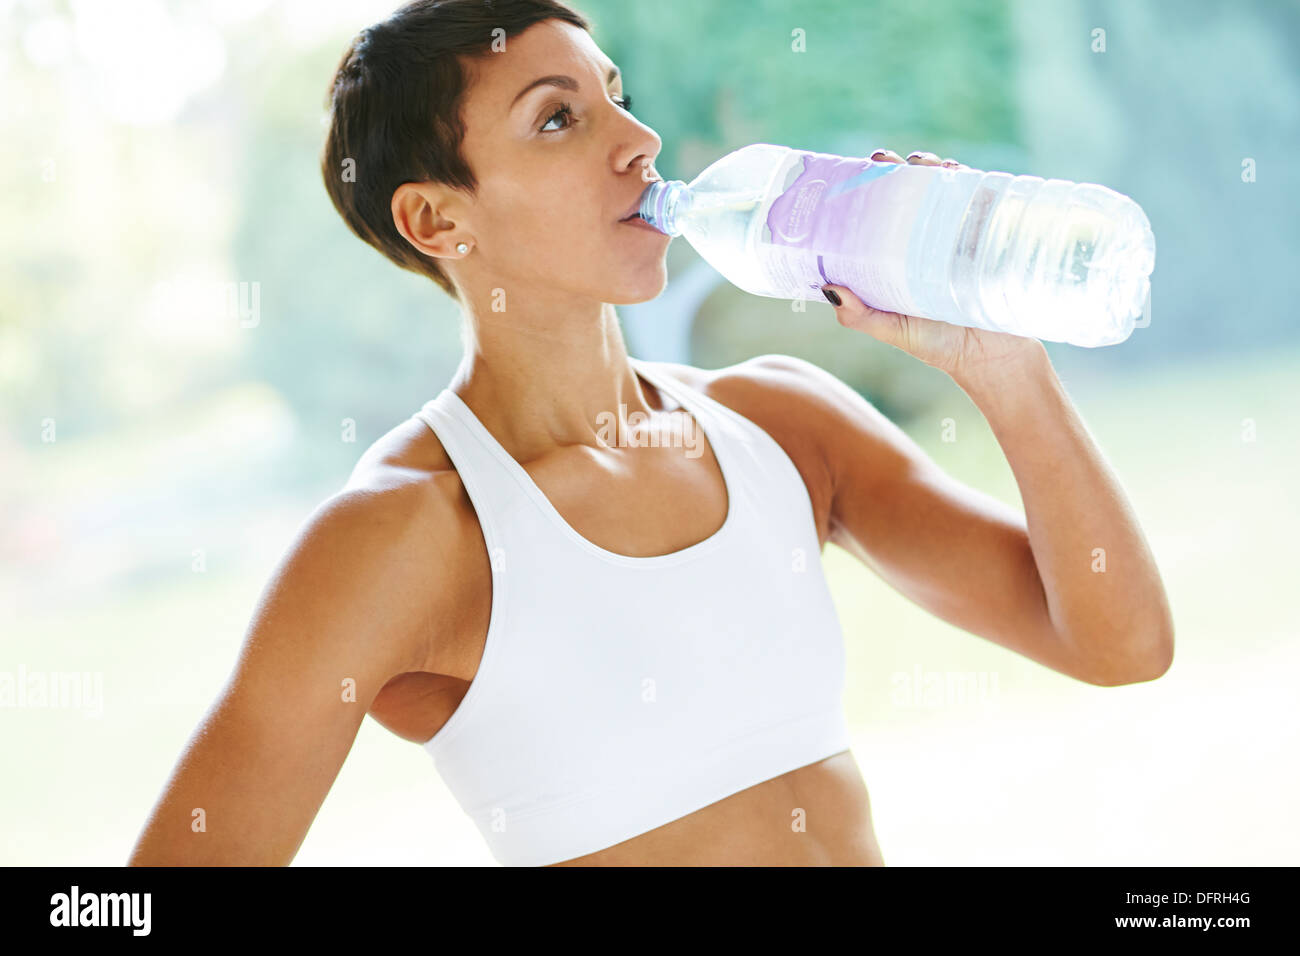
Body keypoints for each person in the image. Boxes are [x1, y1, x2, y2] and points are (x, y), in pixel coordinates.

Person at [128, 0, 1174, 867]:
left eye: (616, 98)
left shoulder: (780, 423)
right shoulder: (402, 537)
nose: (639, 143)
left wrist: (1005, 364)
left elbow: (1119, 645)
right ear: (440, 222)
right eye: (557, 119)